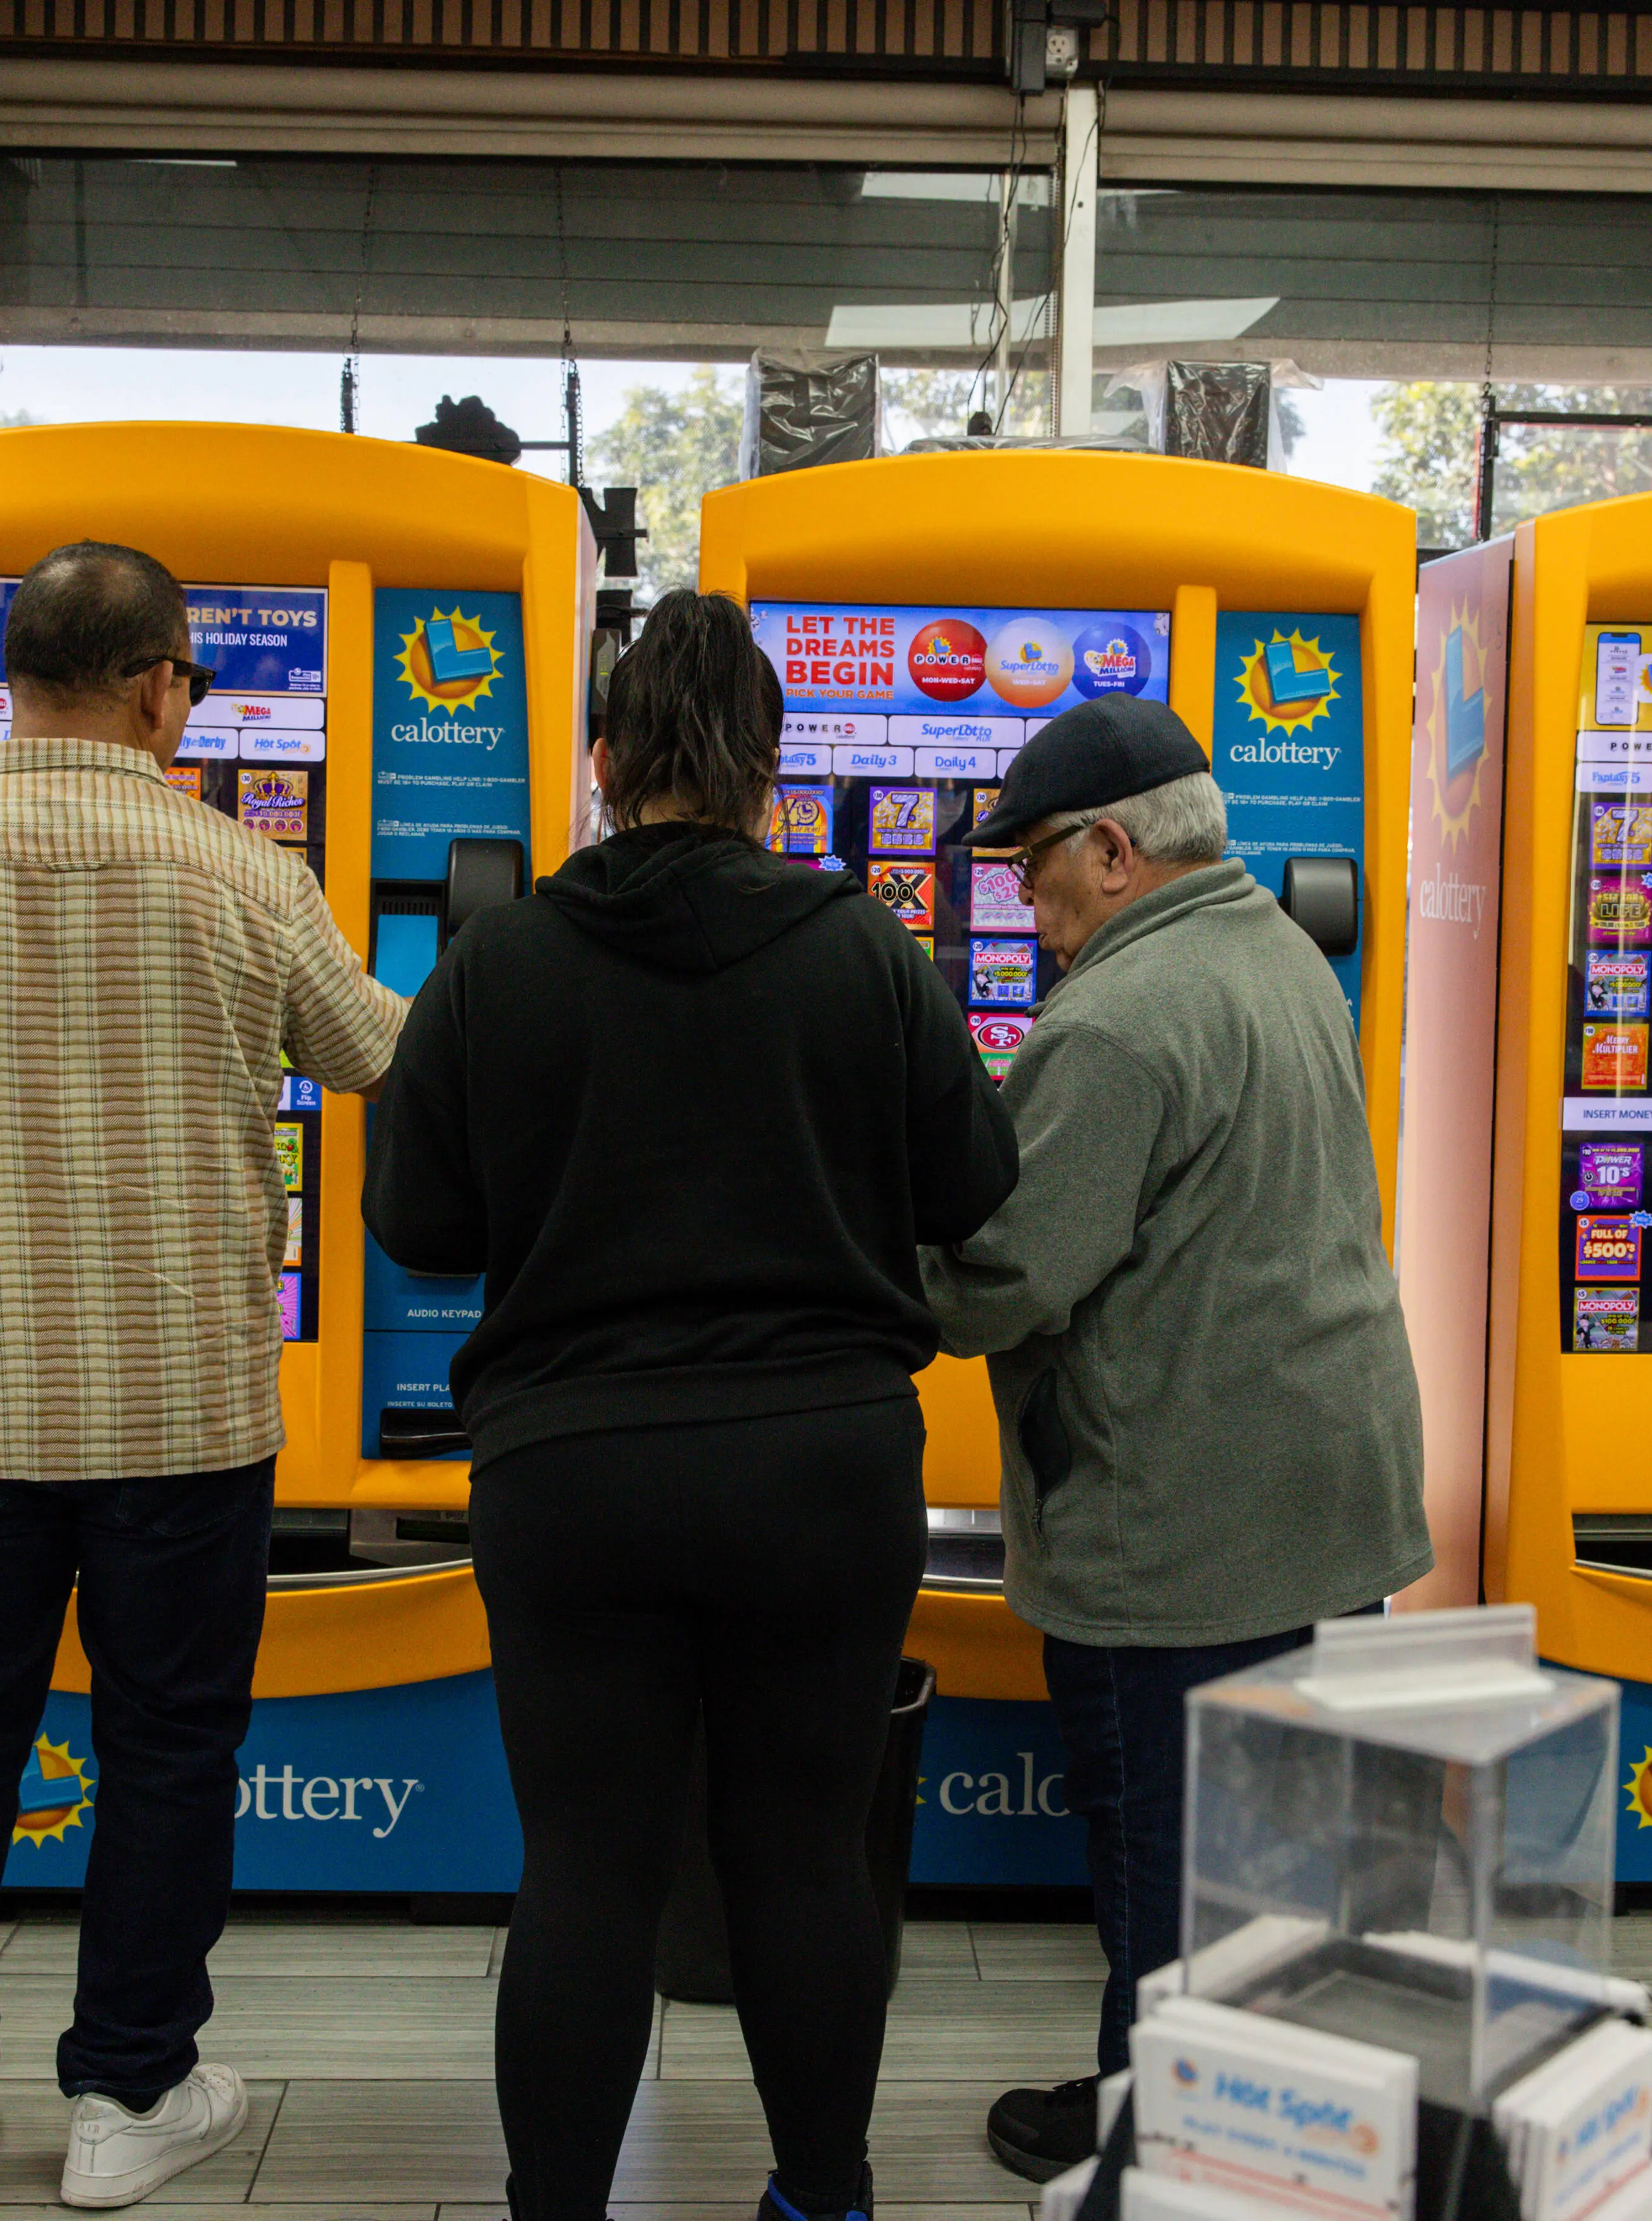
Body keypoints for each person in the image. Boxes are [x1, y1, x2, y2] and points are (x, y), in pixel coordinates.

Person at [0, 541, 405, 2217]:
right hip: (186, 1410)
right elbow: (380, 1058)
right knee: (172, 1743)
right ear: (153, 687)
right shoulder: (242, 874)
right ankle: (127, 2092)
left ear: (6, 675)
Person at [362, 589, 1018, 2221]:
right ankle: (821, 2194)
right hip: (820, 1466)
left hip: (570, 1470)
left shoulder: (496, 955)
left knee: (586, 1863)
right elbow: (975, 1183)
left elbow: (418, 1219)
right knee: (801, 1853)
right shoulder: (863, 948)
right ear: (766, 771)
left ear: (601, 759)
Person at [915, 697, 1430, 2182]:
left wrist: (874, 1259)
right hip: (1321, 1492)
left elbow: (1008, 1274)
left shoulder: (1118, 1015)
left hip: (1185, 1522)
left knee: (1167, 1864)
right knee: (1273, 1865)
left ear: (1114, 850)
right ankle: (1173, 2094)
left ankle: (1179, 2159)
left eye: (1029, 864)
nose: (1022, 895)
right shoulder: (1272, 948)